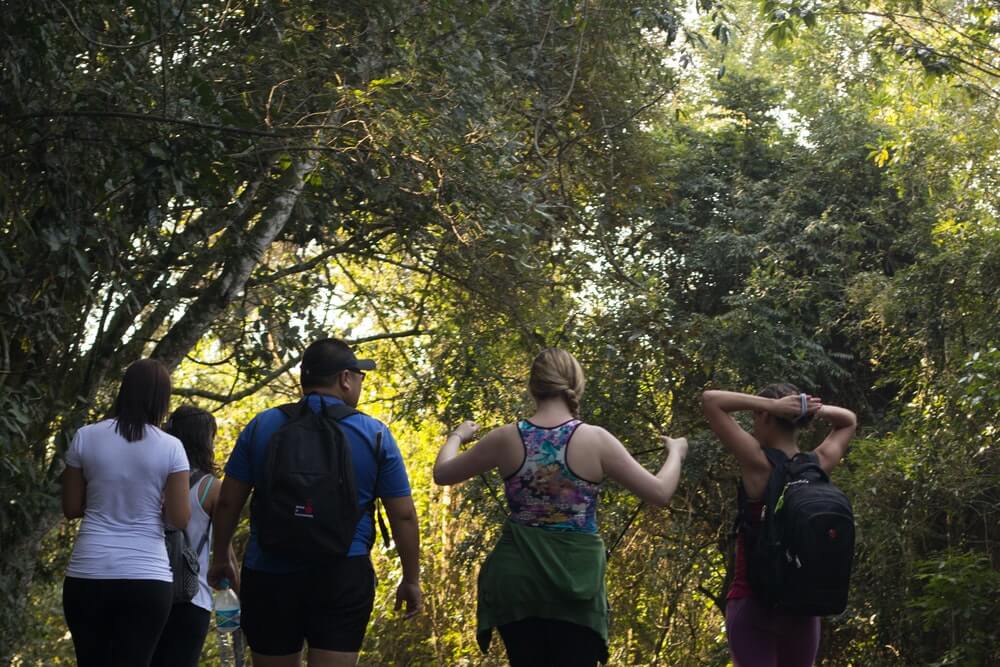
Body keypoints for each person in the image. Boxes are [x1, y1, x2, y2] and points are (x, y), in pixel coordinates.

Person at [433, 348, 689, 666]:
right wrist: (676, 452)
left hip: (518, 586)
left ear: (533, 386)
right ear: (575, 384)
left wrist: (458, 435)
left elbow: (442, 474)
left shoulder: (505, 438)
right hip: (575, 583)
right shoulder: (596, 440)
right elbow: (660, 492)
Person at [208, 337, 422, 667]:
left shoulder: (262, 426)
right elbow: (404, 516)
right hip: (342, 572)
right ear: (345, 378)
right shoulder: (375, 434)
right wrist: (410, 579)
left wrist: (221, 555)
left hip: (270, 572)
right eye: (360, 375)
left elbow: (227, 503)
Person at [701, 384, 858, 667]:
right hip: (803, 605)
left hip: (753, 603)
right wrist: (811, 408)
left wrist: (773, 405)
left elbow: (711, 400)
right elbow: (848, 420)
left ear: (765, 415)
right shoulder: (817, 464)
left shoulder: (758, 463)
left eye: (756, 416)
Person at [61, 358, 191, 667]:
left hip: (88, 571)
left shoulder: (85, 437)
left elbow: (71, 508)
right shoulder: (172, 447)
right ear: (162, 399)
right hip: (147, 576)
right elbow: (179, 518)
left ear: (124, 390)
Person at [151, 405, 236, 667]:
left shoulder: (153, 477)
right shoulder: (211, 487)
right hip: (191, 597)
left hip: (148, 586)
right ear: (204, 441)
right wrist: (241, 601)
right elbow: (226, 553)